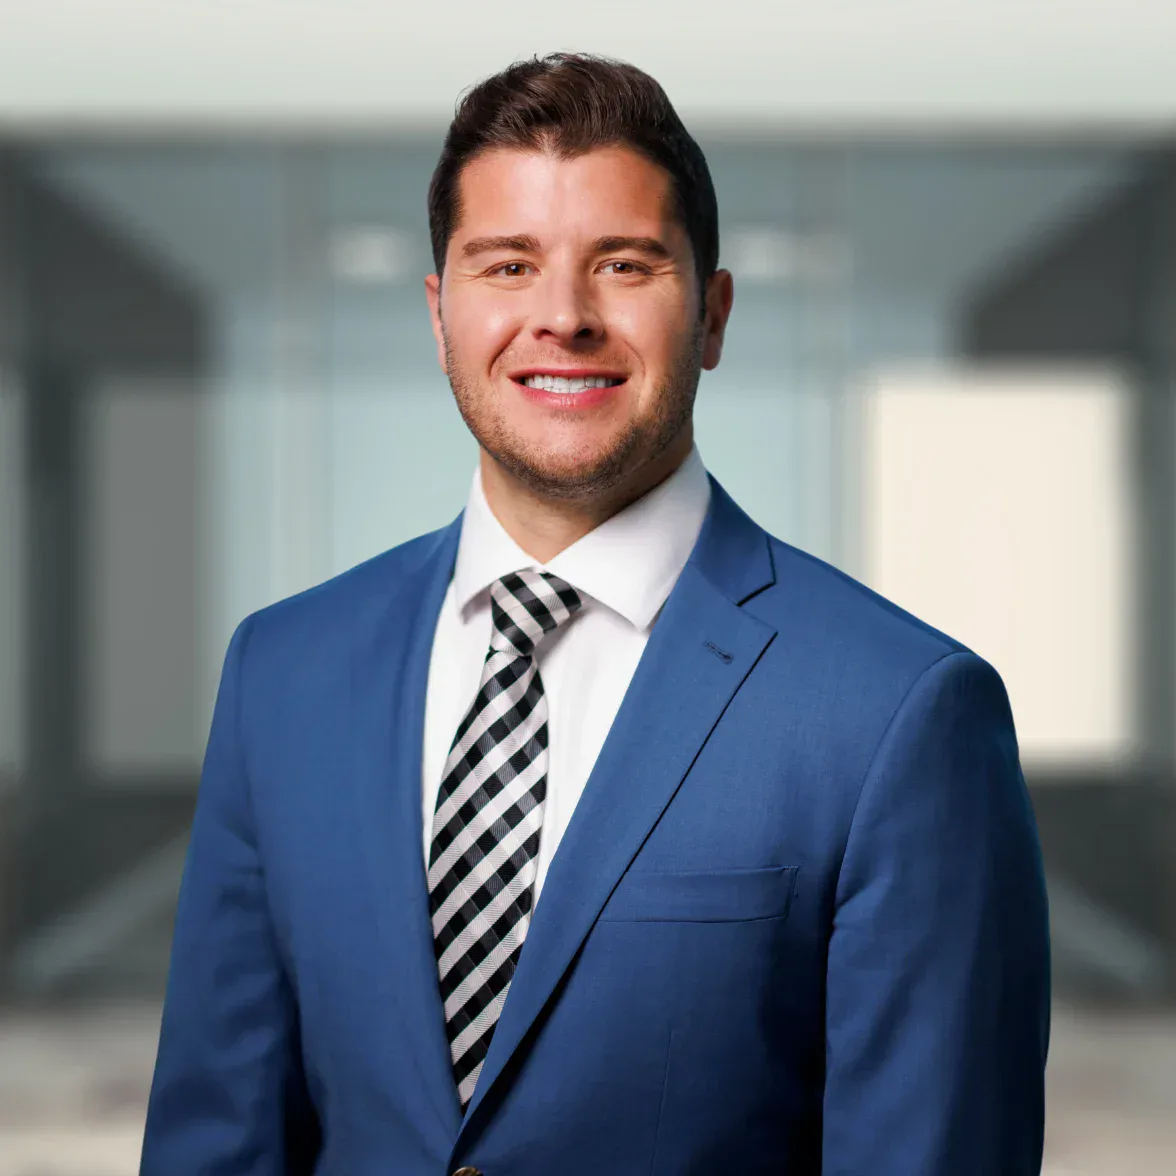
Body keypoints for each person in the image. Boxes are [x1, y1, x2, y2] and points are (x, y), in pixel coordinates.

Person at [140, 52, 1050, 1176]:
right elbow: (216, 1141)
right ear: (439, 314)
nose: (562, 317)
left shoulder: (899, 714)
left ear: (712, 315)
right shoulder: (283, 672)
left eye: (623, 264)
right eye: (507, 265)